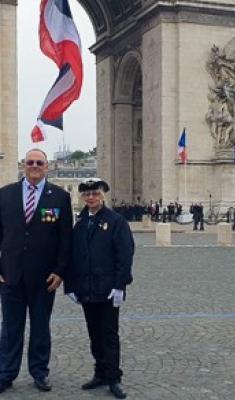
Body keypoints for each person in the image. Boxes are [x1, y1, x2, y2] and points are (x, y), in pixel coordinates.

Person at [0, 148, 73, 393]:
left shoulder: (60, 197)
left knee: (41, 328)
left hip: (45, 278)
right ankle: (6, 372)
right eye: (30, 162)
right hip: (10, 275)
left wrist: (60, 271)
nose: (34, 166)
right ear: (23, 165)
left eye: (39, 162)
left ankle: (40, 372)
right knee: (10, 328)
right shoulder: (4, 194)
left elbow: (66, 240)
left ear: (47, 166)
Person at [65, 178, 134, 399]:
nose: (91, 198)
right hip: (86, 289)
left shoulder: (116, 221)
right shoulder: (80, 223)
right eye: (87, 195)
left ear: (102, 195)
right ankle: (100, 372)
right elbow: (72, 257)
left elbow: (125, 256)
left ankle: (114, 378)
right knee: (94, 334)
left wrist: (120, 286)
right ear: (83, 198)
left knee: (109, 335)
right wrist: (70, 286)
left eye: (95, 193)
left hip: (107, 289)